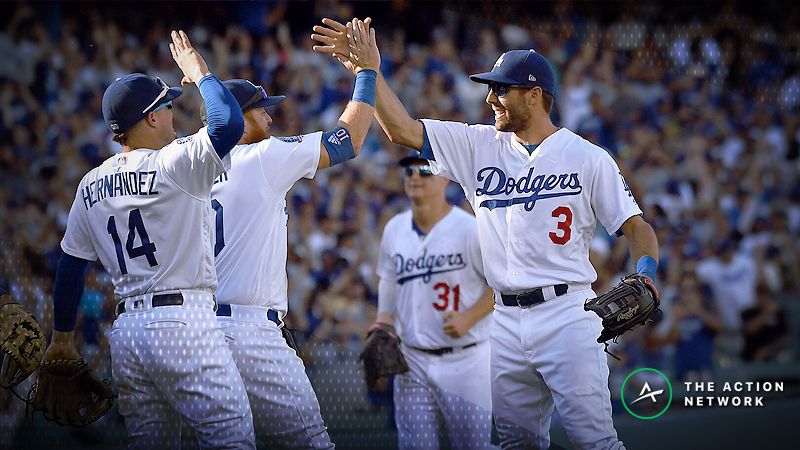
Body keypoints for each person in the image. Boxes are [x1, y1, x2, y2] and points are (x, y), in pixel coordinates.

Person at [312, 18, 659, 450]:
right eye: (490, 88)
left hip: (567, 313)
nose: (490, 97)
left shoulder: (587, 158)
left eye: (502, 89)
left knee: (594, 441)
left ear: (534, 96)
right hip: (505, 323)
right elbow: (402, 130)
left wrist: (644, 274)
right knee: (517, 444)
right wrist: (370, 72)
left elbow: (636, 227)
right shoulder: (479, 145)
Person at [43, 30, 255, 449]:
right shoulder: (173, 164)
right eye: (169, 106)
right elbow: (229, 123)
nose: (174, 113)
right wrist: (202, 74)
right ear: (152, 118)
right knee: (233, 441)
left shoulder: (90, 184)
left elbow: (70, 264)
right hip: (183, 322)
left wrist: (62, 337)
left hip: (128, 334)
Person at [206, 21, 379, 449]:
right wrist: (367, 74)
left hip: (198, 331)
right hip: (250, 331)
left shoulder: (187, 164)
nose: (270, 115)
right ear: (234, 117)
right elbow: (348, 140)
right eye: (260, 108)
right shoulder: (261, 155)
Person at [373, 152, 494, 450]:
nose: (415, 176)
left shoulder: (470, 229)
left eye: (424, 171)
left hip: (466, 359)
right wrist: (383, 322)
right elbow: (388, 279)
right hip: (411, 358)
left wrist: (470, 316)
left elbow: (501, 285)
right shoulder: (395, 229)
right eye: (409, 171)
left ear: (445, 179)